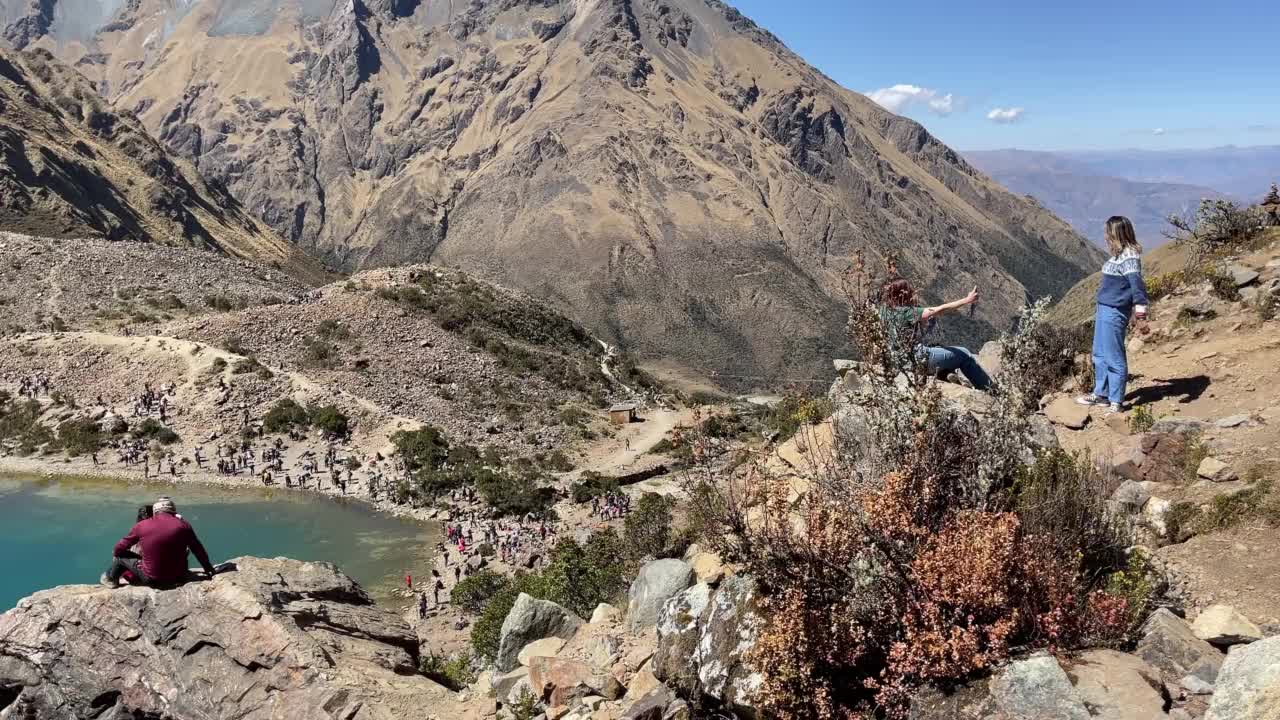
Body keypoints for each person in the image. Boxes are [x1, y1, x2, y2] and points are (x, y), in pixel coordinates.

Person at [1078, 216, 1149, 414]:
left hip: (1115, 311)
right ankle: (1101, 394)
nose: (1105, 236)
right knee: (1099, 353)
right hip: (1104, 308)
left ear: (1116, 234)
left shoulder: (1129, 257)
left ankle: (1116, 401)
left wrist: (1141, 315)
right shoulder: (1119, 255)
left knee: (1114, 356)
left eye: (1107, 232)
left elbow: (1137, 287)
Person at [879, 279, 991, 390]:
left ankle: (945, 374)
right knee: (964, 354)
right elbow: (940, 310)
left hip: (895, 360)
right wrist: (967, 300)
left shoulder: (883, 310)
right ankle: (989, 390)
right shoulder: (907, 312)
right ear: (902, 293)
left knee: (937, 348)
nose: (912, 292)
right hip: (915, 359)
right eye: (909, 290)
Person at [100, 497, 216, 588]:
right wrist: (208, 569)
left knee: (121, 556)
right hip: (179, 576)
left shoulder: (141, 526)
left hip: (152, 579)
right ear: (173, 511)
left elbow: (118, 549)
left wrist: (137, 557)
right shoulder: (184, 525)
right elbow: (198, 550)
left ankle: (111, 579)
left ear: (155, 511)